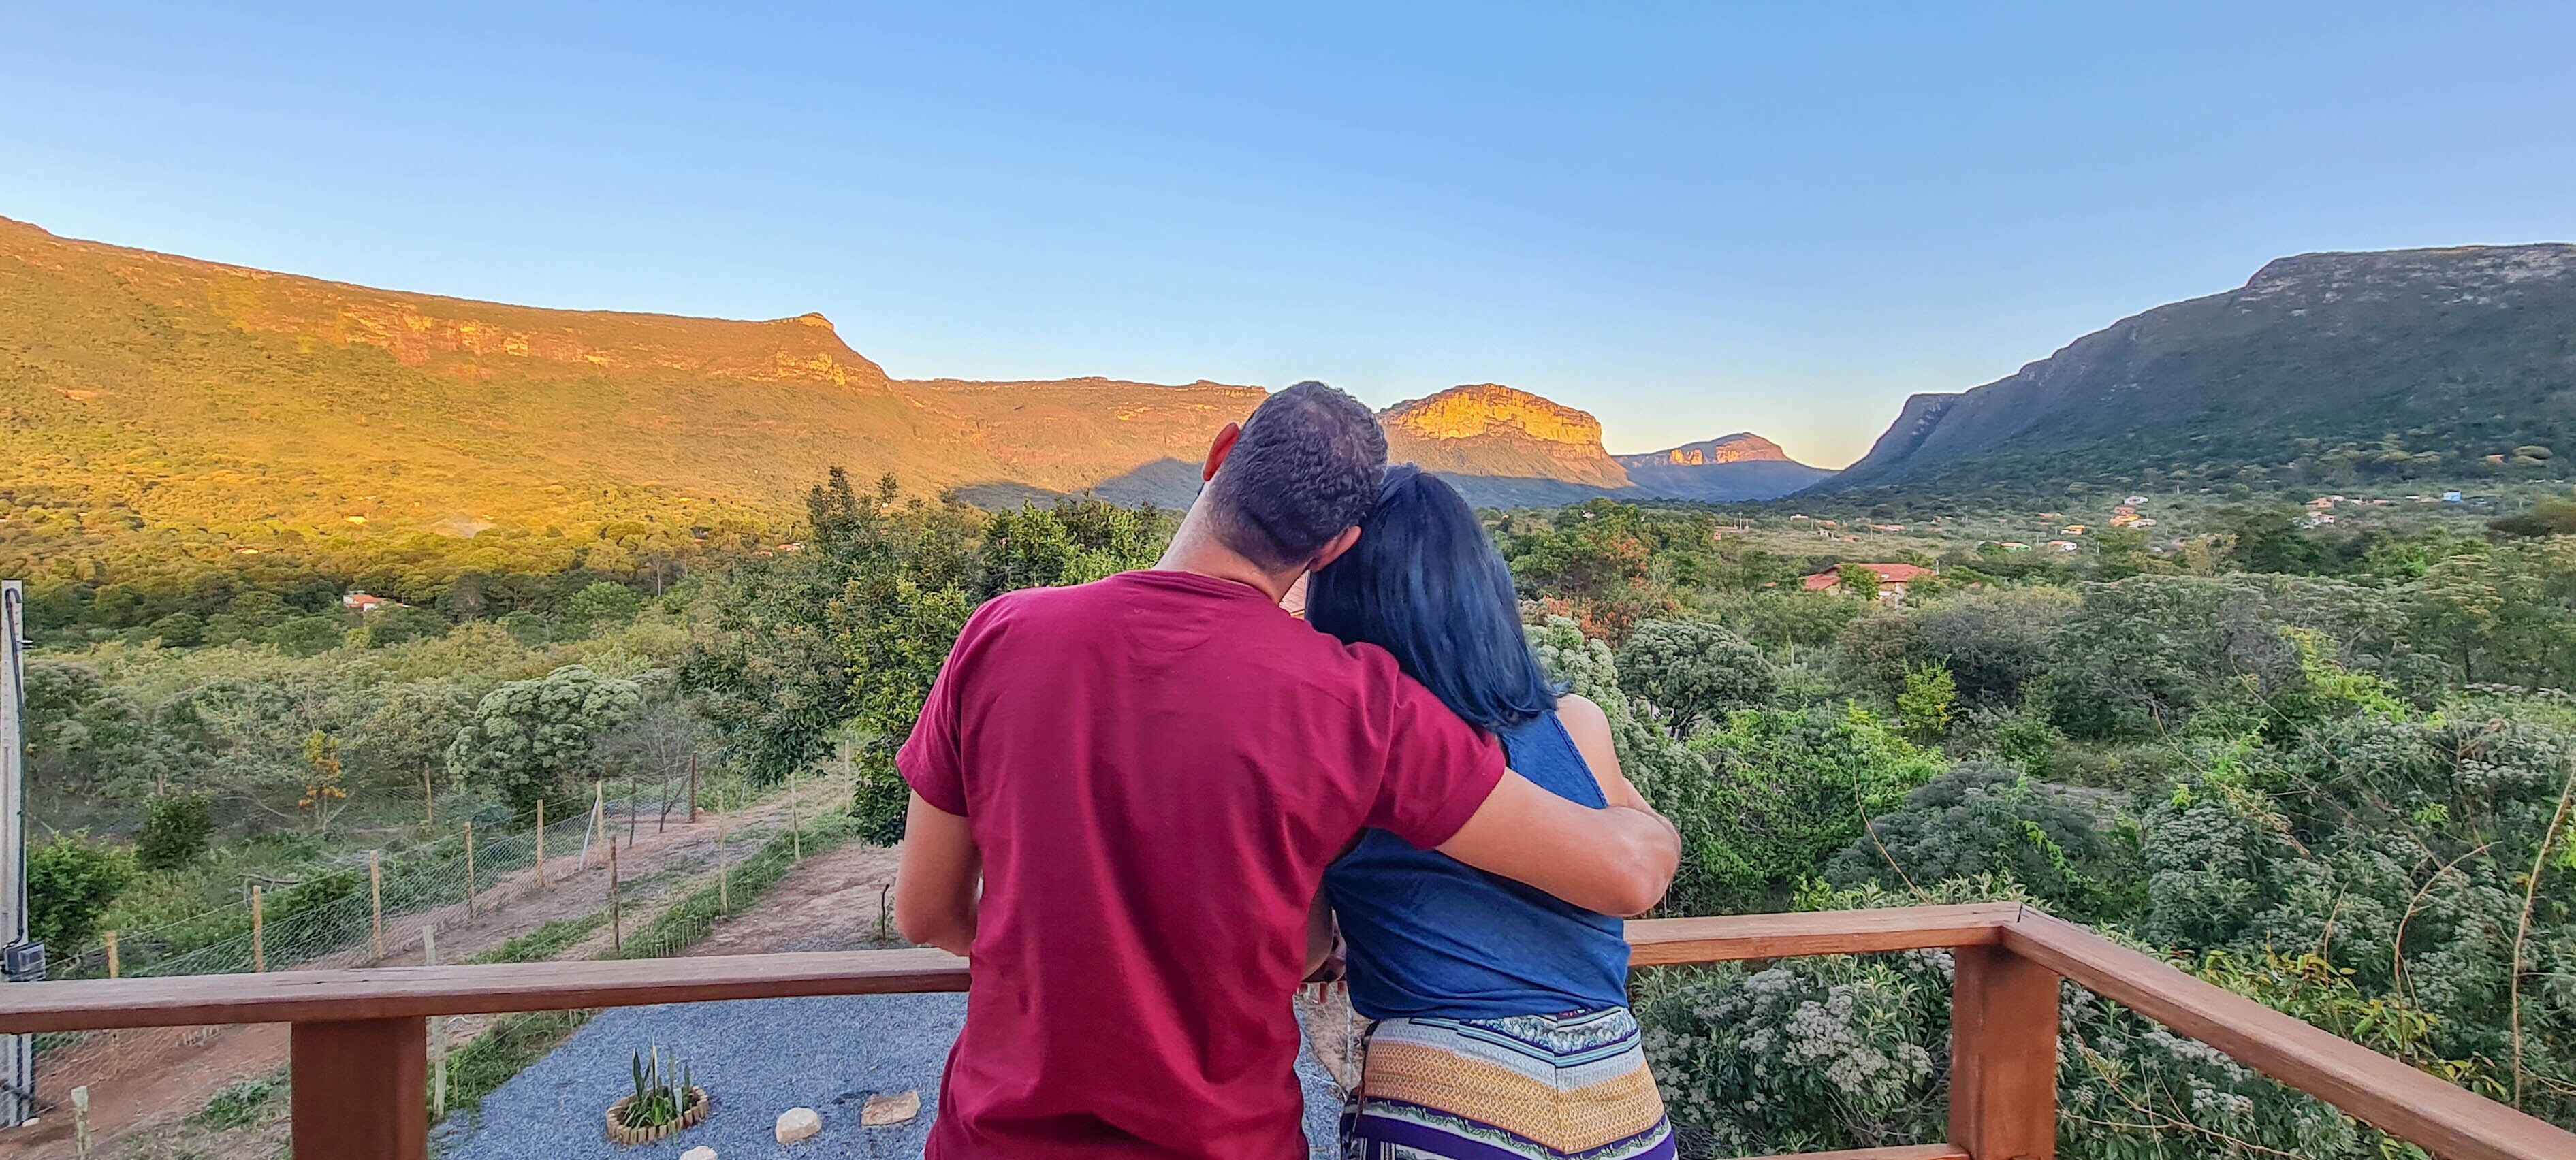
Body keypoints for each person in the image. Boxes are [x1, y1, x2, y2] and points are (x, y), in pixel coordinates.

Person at [893, 381, 1679, 1159]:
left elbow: (928, 915)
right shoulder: (1360, 703)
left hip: (996, 1139)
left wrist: (1055, 956)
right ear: (1335, 546)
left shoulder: (1001, 634)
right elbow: (1618, 873)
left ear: (1221, 453)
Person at [1306, 465, 1675, 1160]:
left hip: (1439, 1093)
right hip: (1617, 1095)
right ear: (1486, 592)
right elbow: (1634, 854)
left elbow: (1303, 946)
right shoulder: (1577, 724)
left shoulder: (1349, 746)